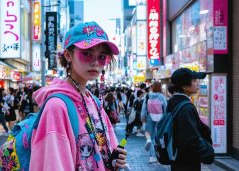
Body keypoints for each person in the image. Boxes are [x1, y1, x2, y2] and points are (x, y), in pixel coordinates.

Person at [30, 21, 127, 170]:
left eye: (102, 57)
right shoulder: (57, 106)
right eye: (87, 54)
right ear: (68, 55)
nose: (95, 62)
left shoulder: (93, 101)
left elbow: (106, 146)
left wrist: (114, 159)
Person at [168, 68, 214, 171]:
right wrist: (208, 153)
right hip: (187, 162)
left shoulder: (173, 101)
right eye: (194, 80)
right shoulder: (186, 107)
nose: (197, 83)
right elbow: (191, 138)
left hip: (177, 158)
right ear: (184, 86)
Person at [141, 81, 167, 163]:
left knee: (150, 135)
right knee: (159, 137)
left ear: (152, 87)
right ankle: (160, 154)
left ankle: (151, 156)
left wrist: (143, 117)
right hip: (160, 117)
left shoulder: (148, 95)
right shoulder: (161, 96)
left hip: (150, 116)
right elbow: (166, 107)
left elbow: (144, 107)